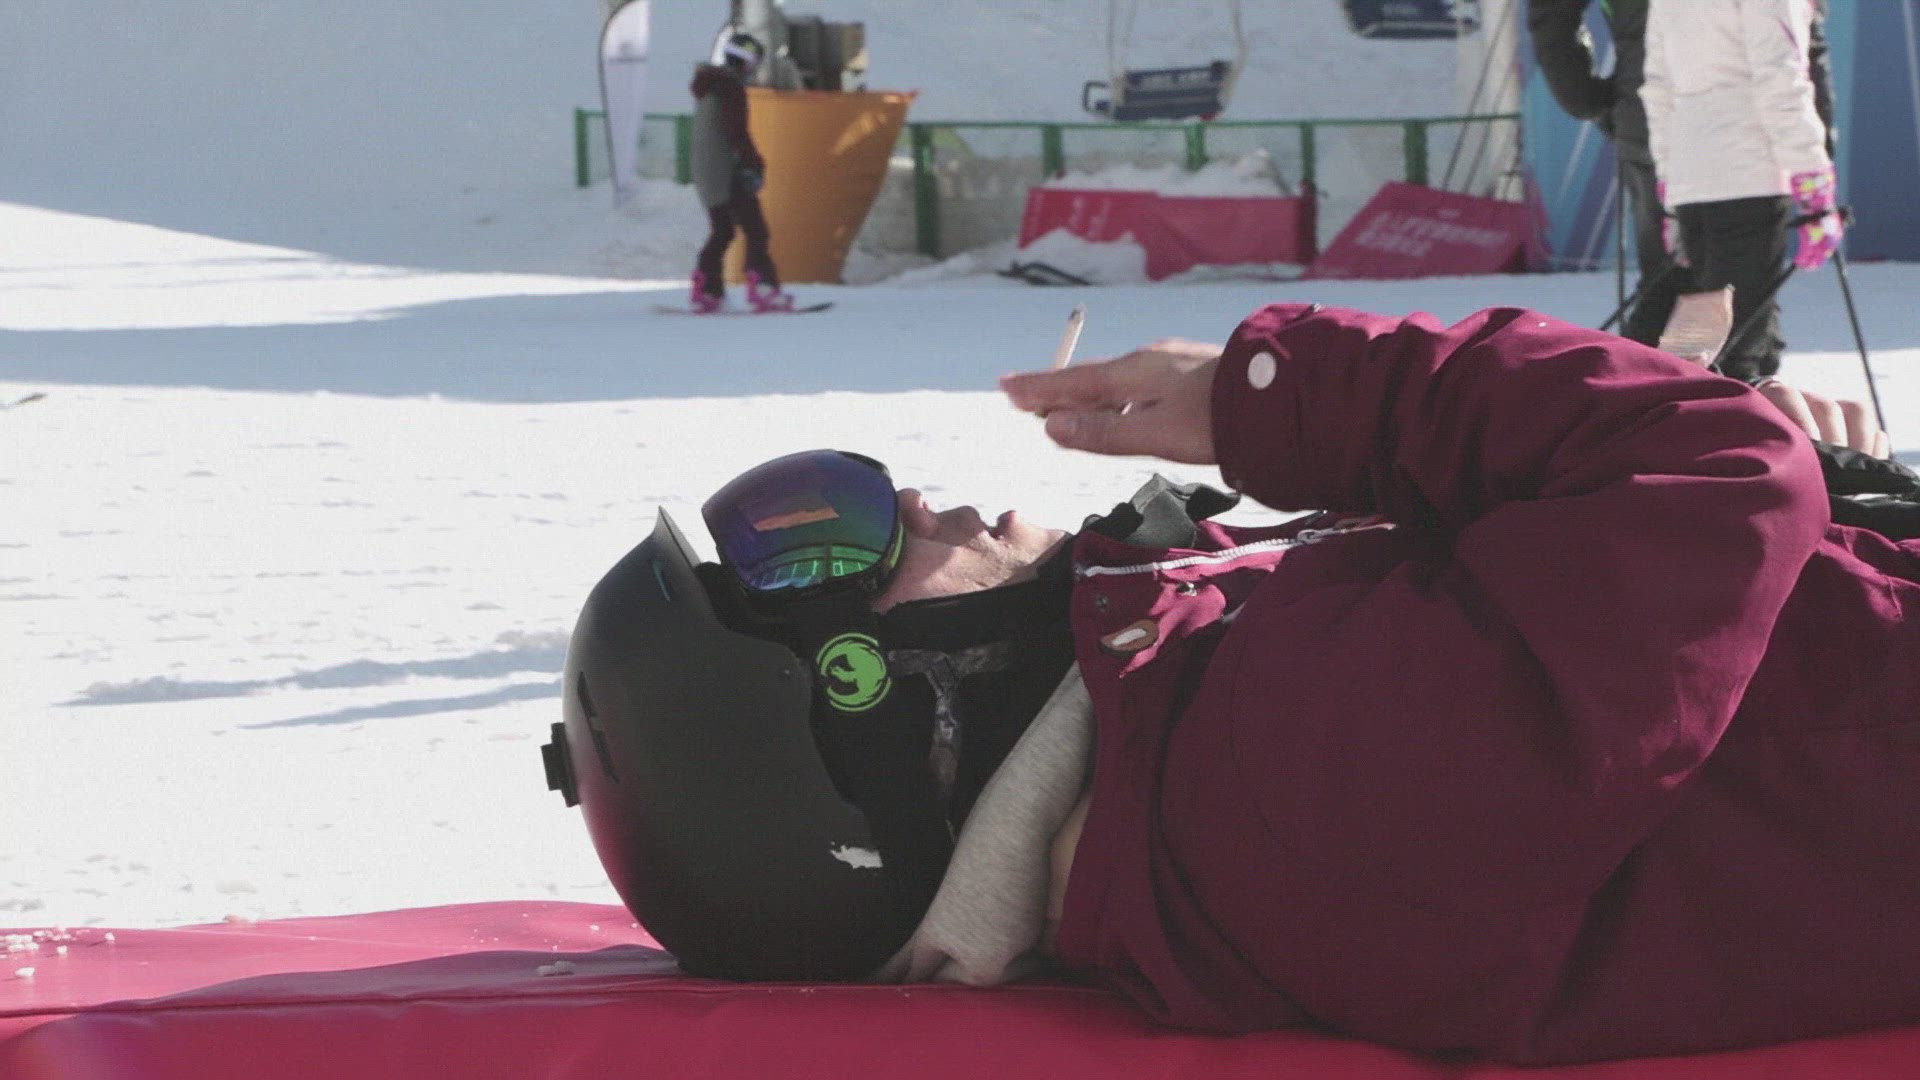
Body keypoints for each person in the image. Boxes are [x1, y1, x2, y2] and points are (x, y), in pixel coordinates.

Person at [543, 301, 1920, 1065]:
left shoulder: (1181, 746)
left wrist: (1817, 501)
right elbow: (1714, 482)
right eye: (843, 544)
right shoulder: (1277, 787)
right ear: (879, 720)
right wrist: (1285, 399)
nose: (911, 499)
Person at [1640, 0, 1841, 383]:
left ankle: (1719, 406)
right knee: (1737, 344)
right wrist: (1813, 180)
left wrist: (1670, 183)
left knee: (1714, 333)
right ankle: (1730, 413)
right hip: (1749, 169)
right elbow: (1781, 78)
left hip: (1692, 171)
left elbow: (1658, 87)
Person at [1527, 0, 1682, 348]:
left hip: (1653, 117)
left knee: (1676, 281)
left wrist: (1588, 99)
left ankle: (1648, 371)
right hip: (1697, 122)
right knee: (1718, 280)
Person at [688, 33, 793, 314]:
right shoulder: (729, 88)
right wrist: (752, 164)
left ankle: (707, 290)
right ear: (747, 63)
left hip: (707, 171)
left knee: (723, 230)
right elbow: (736, 131)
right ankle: (763, 288)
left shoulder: (710, 87)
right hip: (728, 171)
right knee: (756, 230)